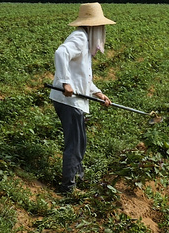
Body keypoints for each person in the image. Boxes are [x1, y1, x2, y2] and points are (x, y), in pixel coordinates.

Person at [49, 2, 114, 194]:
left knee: (80, 141)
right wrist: (65, 83)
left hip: (73, 99)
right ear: (93, 25)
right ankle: (67, 189)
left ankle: (77, 176)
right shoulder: (79, 37)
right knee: (75, 144)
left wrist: (98, 93)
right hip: (68, 100)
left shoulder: (84, 39)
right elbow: (61, 53)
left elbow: (83, 75)